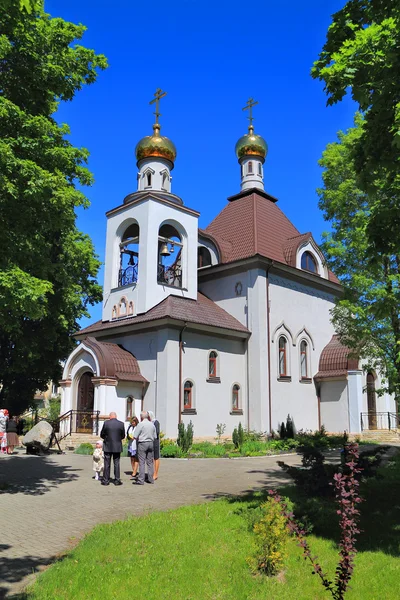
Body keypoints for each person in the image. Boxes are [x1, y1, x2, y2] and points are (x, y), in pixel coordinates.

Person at [100, 412, 125, 486]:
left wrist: (107, 438)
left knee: (107, 463)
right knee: (116, 463)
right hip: (117, 446)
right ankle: (117, 480)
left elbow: (102, 434)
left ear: (110, 416)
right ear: (116, 416)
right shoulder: (121, 424)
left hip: (108, 445)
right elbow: (123, 435)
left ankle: (106, 480)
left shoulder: (106, 423)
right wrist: (117, 439)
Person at [134, 410, 156, 485]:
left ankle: (141, 480)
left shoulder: (141, 424)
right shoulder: (152, 424)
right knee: (150, 462)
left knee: (142, 462)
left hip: (143, 443)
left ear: (141, 417)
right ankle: (150, 479)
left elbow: (135, 436)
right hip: (151, 443)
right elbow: (155, 436)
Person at [148, 411, 160, 481]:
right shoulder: (148, 423)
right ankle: (152, 473)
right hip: (150, 441)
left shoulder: (156, 422)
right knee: (150, 458)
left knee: (156, 458)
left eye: (149, 416)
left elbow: (157, 432)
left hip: (155, 442)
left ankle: (156, 473)